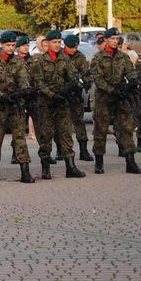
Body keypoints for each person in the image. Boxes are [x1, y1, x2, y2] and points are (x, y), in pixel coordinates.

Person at [32, 30, 86, 179]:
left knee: (66, 135)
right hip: (46, 105)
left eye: (58, 42)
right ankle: (45, 168)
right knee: (46, 136)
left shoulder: (65, 60)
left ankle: (71, 167)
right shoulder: (40, 62)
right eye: (54, 42)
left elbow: (73, 75)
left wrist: (73, 85)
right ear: (47, 44)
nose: (57, 45)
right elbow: (40, 83)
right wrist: (52, 95)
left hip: (62, 103)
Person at [90, 28, 141, 174]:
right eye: (112, 38)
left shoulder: (123, 57)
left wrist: (132, 81)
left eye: (117, 38)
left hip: (121, 97)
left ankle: (130, 161)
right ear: (106, 39)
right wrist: (111, 90)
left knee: (126, 128)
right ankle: (99, 162)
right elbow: (98, 79)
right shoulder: (98, 58)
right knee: (101, 130)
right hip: (104, 98)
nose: (115, 40)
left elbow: (130, 71)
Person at [0, 31, 35, 183]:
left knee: (20, 137)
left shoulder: (19, 62)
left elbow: (23, 79)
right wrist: (1, 95)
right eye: (8, 45)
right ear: (2, 45)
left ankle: (25, 170)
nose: (11, 48)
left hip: (15, 105)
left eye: (13, 45)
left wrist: (24, 89)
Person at [63, 34, 93, 162]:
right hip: (62, 95)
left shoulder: (80, 56)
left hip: (76, 95)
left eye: (75, 47)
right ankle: (61, 150)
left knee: (79, 122)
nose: (74, 50)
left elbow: (86, 73)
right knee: (63, 125)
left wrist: (86, 81)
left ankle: (83, 150)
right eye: (71, 47)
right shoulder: (60, 56)